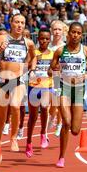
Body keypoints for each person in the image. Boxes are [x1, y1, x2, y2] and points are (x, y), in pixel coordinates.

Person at [0, 14, 36, 164]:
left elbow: (33, 57)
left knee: (15, 105)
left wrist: (29, 68)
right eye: (17, 22)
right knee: (0, 119)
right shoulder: (3, 39)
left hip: (18, 80)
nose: (19, 25)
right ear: (11, 23)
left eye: (22, 22)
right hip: (2, 81)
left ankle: (13, 138)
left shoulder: (29, 43)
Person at [49, 22, 87, 168]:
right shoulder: (59, 51)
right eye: (73, 32)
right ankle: (61, 157)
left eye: (78, 33)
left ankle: (64, 147)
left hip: (78, 90)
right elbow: (50, 70)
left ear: (81, 35)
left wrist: (84, 77)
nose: (75, 35)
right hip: (63, 88)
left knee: (75, 130)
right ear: (68, 33)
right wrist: (55, 72)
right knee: (67, 122)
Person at [25, 28, 53, 158]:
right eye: (42, 38)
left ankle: (43, 133)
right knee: (32, 117)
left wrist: (54, 72)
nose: (44, 41)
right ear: (38, 39)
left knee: (45, 108)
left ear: (50, 39)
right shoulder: (33, 52)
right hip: (33, 86)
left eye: (47, 39)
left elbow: (56, 69)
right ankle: (29, 142)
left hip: (46, 86)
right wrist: (31, 66)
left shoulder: (53, 54)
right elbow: (26, 65)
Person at [48, 20, 68, 137]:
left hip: (59, 77)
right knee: (50, 104)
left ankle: (59, 124)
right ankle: (53, 116)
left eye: (59, 30)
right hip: (46, 77)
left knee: (58, 102)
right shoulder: (48, 45)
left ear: (63, 31)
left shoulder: (65, 46)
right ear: (51, 31)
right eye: (55, 29)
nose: (56, 32)